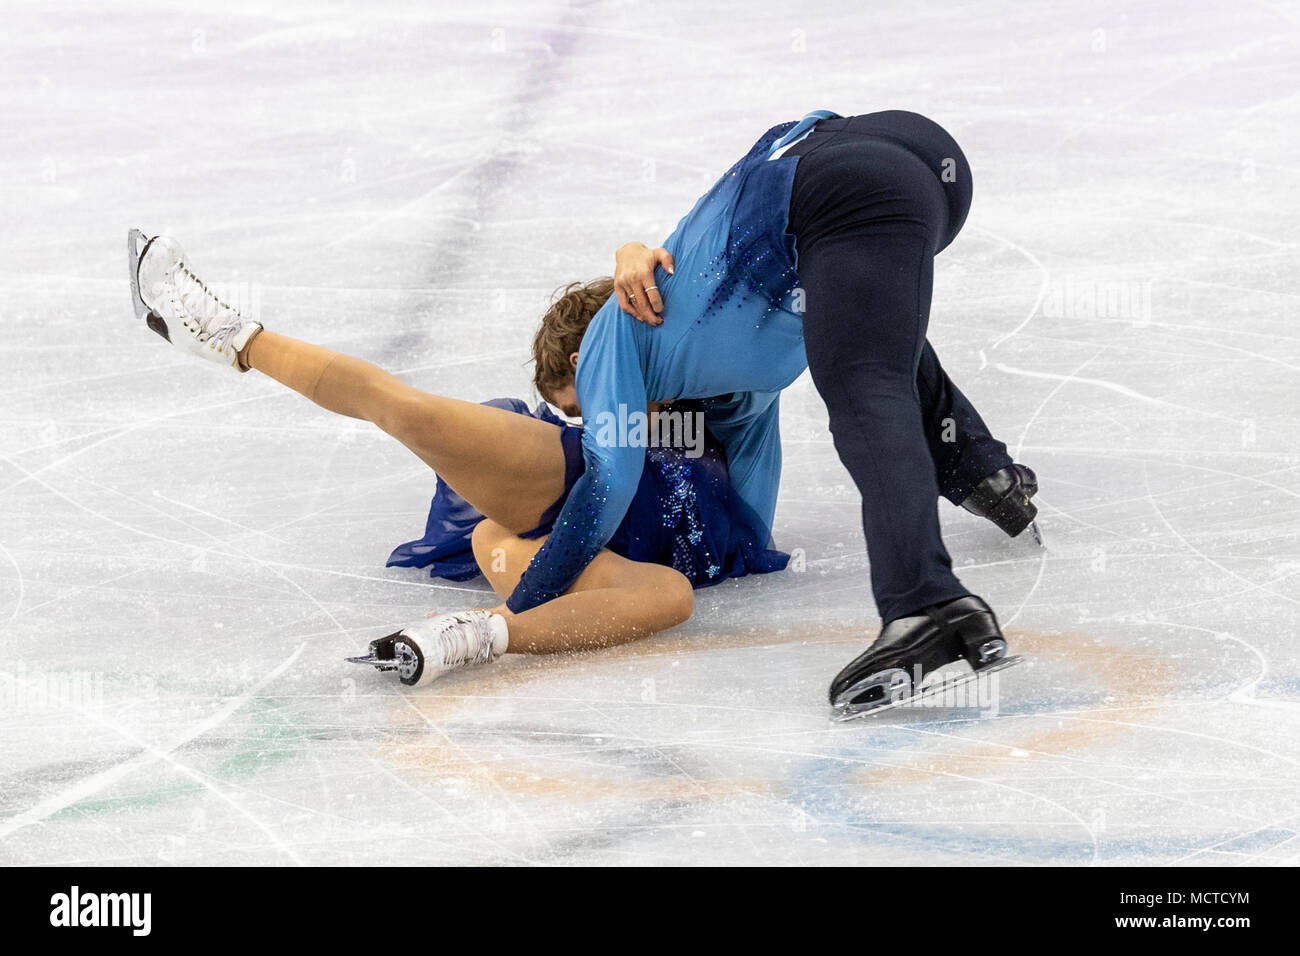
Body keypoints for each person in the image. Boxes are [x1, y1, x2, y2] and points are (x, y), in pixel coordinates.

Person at [481, 109, 1039, 716]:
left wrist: (519, 609)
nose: (594, 424)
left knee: (865, 391)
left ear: (579, 358)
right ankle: (980, 468)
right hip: (922, 169)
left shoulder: (613, 334)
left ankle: (922, 603)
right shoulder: (736, 390)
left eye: (578, 410)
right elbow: (751, 518)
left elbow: (609, 479)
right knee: (867, 341)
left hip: (835, 185)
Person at [125, 233, 787, 687]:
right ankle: (228, 335)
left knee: (671, 599)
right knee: (413, 416)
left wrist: (633, 254)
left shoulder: (725, 395)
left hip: (644, 555)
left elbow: (727, 301)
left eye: (586, 398)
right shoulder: (584, 453)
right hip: (565, 520)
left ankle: (473, 636)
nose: (594, 415)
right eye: (578, 412)